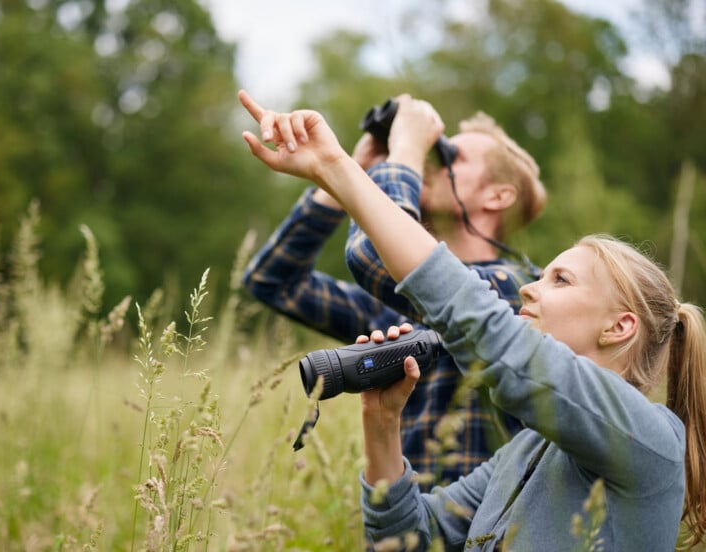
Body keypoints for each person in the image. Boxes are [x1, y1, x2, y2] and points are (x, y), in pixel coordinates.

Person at [237, 89, 706, 550]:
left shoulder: (649, 439)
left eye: (559, 280)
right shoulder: (523, 455)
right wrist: (382, 425)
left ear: (619, 327)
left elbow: (477, 322)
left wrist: (364, 162)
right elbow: (408, 541)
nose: (530, 288)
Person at [242, 93, 547, 486]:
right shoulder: (396, 313)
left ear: (499, 196)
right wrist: (346, 172)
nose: (432, 162)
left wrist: (400, 149)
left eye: (452, 157)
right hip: (409, 524)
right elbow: (273, 279)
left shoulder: (526, 293)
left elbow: (376, 257)